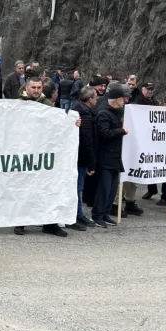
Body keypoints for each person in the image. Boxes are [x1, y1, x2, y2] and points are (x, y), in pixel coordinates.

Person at [14, 74, 68, 238]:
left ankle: (50, 223)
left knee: (47, 187)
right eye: (33, 87)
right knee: (23, 188)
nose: (36, 91)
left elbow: (58, 124)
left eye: (39, 88)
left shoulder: (48, 105)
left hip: (44, 152)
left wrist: (72, 122)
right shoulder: (17, 105)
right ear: (26, 88)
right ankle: (19, 222)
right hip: (25, 151)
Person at [92, 82, 130, 227]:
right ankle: (97, 215)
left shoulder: (118, 112)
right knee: (104, 188)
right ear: (117, 99)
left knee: (113, 190)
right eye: (124, 98)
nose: (126, 101)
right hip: (106, 157)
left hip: (116, 157)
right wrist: (122, 131)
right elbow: (104, 134)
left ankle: (106, 213)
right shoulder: (103, 113)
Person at [74, 87, 97, 229]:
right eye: (95, 97)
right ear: (90, 99)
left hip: (79, 156)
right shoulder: (85, 115)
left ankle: (79, 213)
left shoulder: (79, 110)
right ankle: (77, 215)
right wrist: (91, 163)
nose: (97, 99)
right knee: (78, 187)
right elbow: (86, 140)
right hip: (81, 158)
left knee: (78, 187)